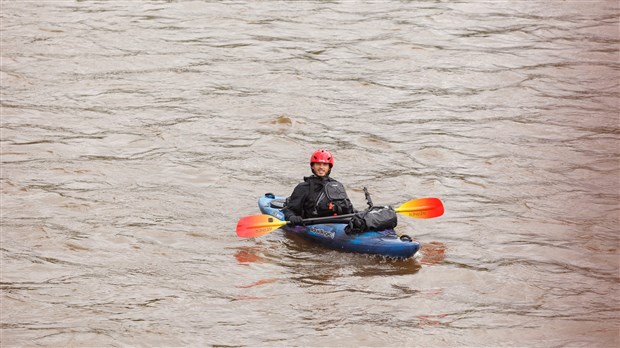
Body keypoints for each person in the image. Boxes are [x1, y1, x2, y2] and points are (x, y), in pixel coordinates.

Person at [282, 149, 355, 225]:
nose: (321, 167)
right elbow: (289, 210)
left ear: (329, 167)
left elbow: (348, 208)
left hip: (335, 221)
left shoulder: (336, 185)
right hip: (313, 223)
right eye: (318, 164)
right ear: (312, 166)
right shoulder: (303, 187)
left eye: (325, 165)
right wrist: (291, 217)